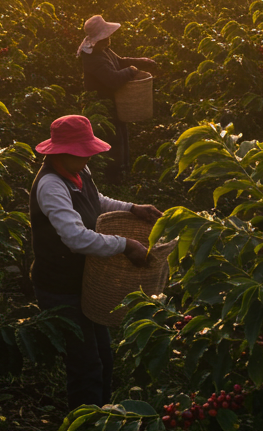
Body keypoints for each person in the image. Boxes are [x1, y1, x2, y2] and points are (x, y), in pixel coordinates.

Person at [28, 114, 163, 409]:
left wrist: (131, 207)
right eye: (83, 150)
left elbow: (96, 200)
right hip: (60, 287)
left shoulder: (79, 171)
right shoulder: (51, 185)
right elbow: (76, 238)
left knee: (103, 356)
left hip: (84, 282)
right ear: (63, 152)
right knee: (85, 365)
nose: (89, 155)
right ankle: (85, 420)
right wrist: (125, 245)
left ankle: (102, 418)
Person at [77, 15, 157, 178]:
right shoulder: (93, 58)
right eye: (106, 36)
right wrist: (132, 70)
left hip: (112, 102)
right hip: (101, 106)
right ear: (100, 38)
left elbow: (119, 61)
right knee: (111, 140)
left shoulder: (102, 49)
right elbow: (113, 79)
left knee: (120, 133)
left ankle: (122, 172)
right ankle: (113, 178)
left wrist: (141, 61)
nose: (109, 39)